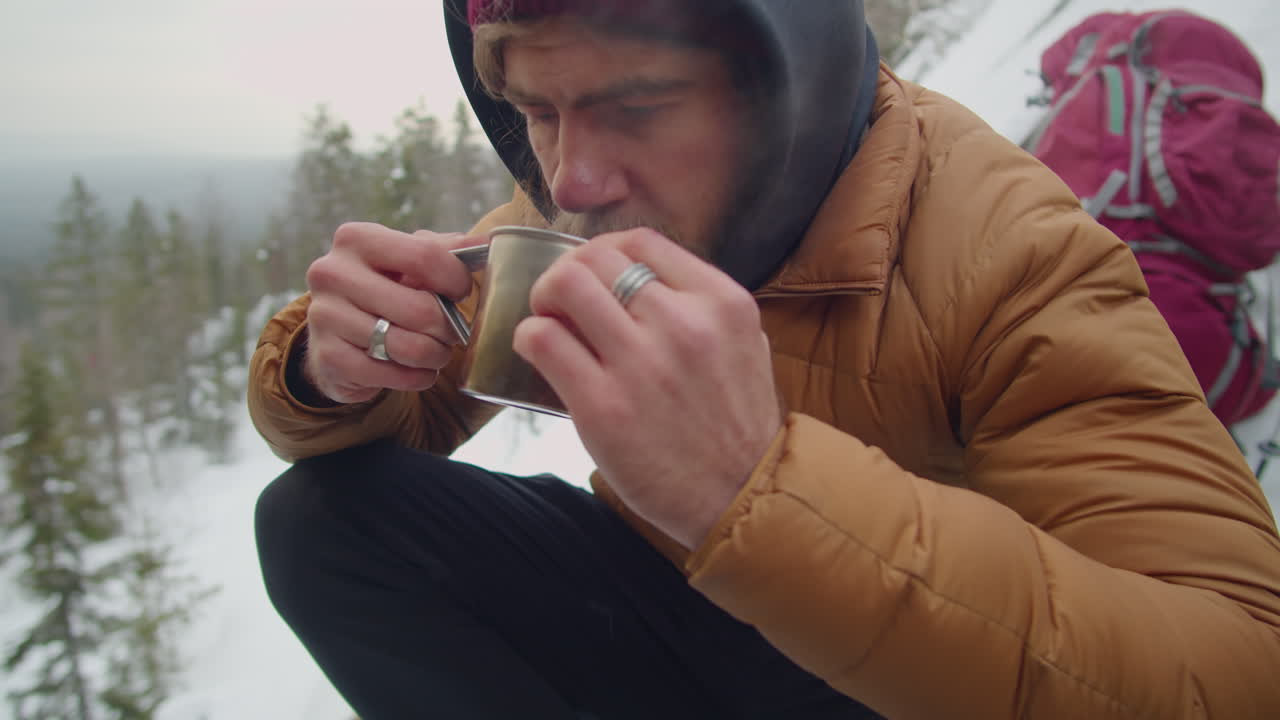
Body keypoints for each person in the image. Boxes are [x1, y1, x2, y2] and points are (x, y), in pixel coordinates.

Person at [248, 1, 1280, 718]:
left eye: (636, 106)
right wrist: (338, 368)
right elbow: (419, 408)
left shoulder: (1006, 246)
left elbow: (1237, 670)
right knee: (323, 523)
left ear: (783, 86)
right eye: (537, 113)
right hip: (683, 611)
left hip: (896, 677)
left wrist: (761, 492)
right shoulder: (594, 198)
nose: (573, 175)